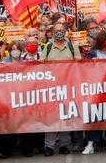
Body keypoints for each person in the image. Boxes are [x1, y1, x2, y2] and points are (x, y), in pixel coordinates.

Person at [41, 22, 80, 156]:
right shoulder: (48, 46)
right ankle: (49, 146)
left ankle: (64, 144)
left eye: (62, 30)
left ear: (66, 32)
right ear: (52, 33)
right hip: (51, 87)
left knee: (66, 116)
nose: (59, 33)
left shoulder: (72, 46)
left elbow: (79, 64)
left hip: (69, 86)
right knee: (51, 117)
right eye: (57, 30)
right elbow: (41, 65)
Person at [82, 31, 106, 154]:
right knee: (93, 116)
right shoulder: (92, 54)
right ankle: (90, 143)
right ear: (101, 41)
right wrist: (90, 63)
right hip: (95, 90)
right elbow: (83, 69)